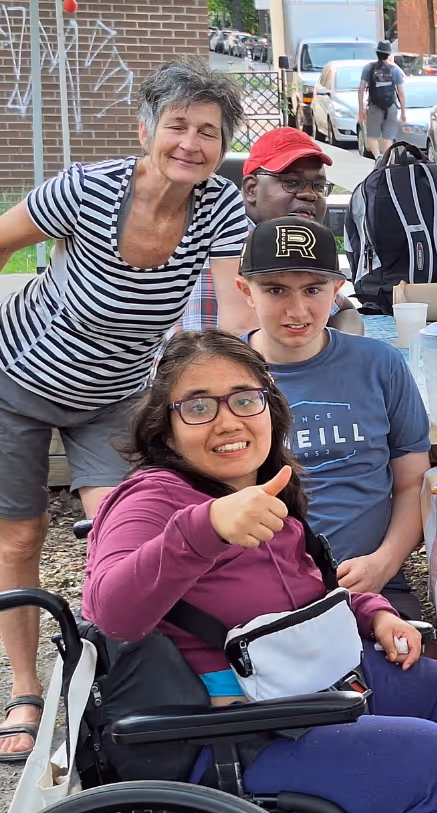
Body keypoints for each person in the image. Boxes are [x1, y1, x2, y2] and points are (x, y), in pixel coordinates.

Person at [81, 330, 437, 813]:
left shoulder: (265, 487)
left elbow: (309, 588)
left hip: (301, 677)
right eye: (199, 406)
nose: (228, 421)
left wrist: (375, 612)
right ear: (166, 426)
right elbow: (110, 609)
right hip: (233, 731)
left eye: (245, 399)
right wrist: (205, 529)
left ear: (270, 409)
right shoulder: (154, 498)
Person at [0, 59, 248, 762]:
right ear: (148, 130)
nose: (191, 144)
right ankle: (25, 689)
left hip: (116, 393)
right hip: (16, 379)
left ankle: (110, 674)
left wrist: (237, 393)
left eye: (209, 132)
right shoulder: (85, 190)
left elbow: (229, 313)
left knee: (126, 538)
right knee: (18, 540)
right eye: (178, 126)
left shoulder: (219, 207)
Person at [238, 216, 432, 621]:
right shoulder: (223, 377)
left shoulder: (380, 364)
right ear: (246, 291)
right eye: (275, 290)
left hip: (371, 581)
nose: (297, 309)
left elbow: (413, 481)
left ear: (338, 290)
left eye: (313, 289)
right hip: (257, 586)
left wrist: (384, 562)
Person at [181, 127, 363, 336]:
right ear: (252, 189)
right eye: (292, 182)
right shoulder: (224, 246)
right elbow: (198, 352)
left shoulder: (294, 243)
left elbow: (345, 311)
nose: (310, 194)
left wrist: (344, 352)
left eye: (319, 186)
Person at [358, 40, 407, 158]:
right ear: (388, 54)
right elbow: (400, 92)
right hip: (391, 107)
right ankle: (386, 160)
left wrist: (361, 110)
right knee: (387, 138)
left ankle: (378, 157)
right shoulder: (394, 70)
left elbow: (361, 89)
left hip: (374, 107)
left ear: (377, 53)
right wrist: (403, 112)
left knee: (371, 137)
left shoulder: (368, 68)